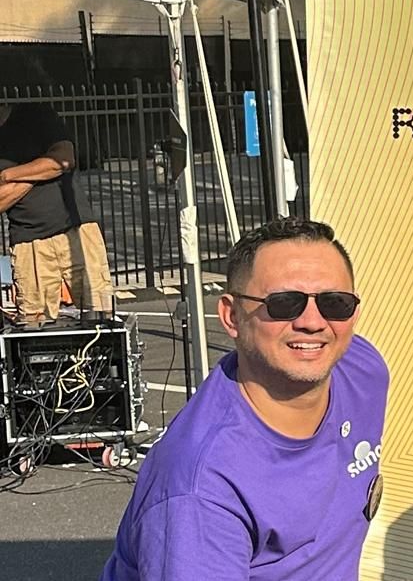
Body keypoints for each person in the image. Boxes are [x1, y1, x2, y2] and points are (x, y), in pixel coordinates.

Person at [103, 218, 388, 581]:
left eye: (336, 303)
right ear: (231, 316)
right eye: (284, 304)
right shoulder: (201, 489)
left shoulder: (363, 370)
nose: (314, 323)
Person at [0, 101, 115, 328]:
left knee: (99, 317)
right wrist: (41, 168)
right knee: (33, 326)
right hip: (28, 242)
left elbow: (63, 159)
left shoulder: (36, 114)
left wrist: (6, 176)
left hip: (77, 230)